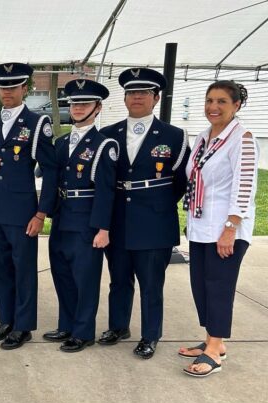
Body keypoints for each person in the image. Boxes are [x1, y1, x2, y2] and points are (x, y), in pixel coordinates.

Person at [98, 67, 190, 359]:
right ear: (125, 98)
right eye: (131, 92)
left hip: (154, 220)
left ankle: (150, 335)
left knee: (151, 283)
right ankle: (118, 326)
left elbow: (180, 181)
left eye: (144, 92)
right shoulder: (108, 134)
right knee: (119, 279)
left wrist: (156, 203)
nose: (137, 97)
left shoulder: (174, 136)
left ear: (156, 98)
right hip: (118, 219)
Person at [179, 81, 258, 377]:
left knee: (219, 287)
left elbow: (244, 186)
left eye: (222, 101)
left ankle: (214, 351)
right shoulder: (204, 137)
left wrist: (230, 228)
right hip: (201, 226)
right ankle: (213, 340)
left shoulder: (242, 139)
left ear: (237, 105)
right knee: (201, 286)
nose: (213, 107)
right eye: (209, 100)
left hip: (226, 229)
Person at [0, 62, 58, 350]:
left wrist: (41, 213)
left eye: (13, 86)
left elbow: (50, 170)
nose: (7, 91)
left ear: (24, 88)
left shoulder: (37, 124)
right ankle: (6, 320)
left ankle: (23, 326)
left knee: (23, 270)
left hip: (24, 211)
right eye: (3, 86)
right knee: (0, 267)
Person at [45, 79, 118, 353]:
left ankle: (83, 332)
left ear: (97, 108)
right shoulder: (62, 142)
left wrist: (103, 228)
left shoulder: (103, 145)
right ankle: (67, 325)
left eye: (85, 103)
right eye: (74, 103)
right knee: (62, 274)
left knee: (85, 279)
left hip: (86, 221)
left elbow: (106, 190)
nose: (77, 108)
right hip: (62, 217)